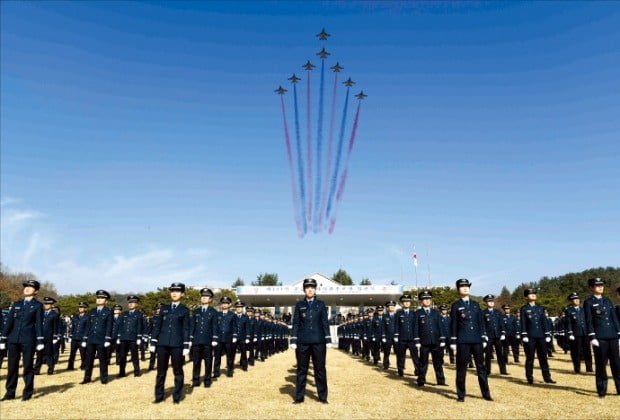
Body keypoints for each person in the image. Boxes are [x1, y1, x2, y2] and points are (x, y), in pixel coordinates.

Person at [0, 279, 44, 401]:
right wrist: (3, 338)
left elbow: (39, 324)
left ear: (36, 291)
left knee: (28, 366)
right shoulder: (16, 304)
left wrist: (40, 340)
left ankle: (27, 392)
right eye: (26, 286)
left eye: (30, 287)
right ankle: (10, 392)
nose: (27, 288)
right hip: (13, 339)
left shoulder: (38, 305)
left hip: (28, 339)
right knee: (12, 367)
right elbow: (9, 322)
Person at [450, 278, 492, 402]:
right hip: (463, 341)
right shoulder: (456, 305)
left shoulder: (475, 304)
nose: (465, 288)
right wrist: (453, 341)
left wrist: (483, 336)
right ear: (458, 289)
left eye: (467, 286)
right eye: (462, 286)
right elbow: (453, 324)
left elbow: (480, 321)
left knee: (481, 368)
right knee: (462, 369)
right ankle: (461, 394)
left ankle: (486, 393)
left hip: (477, 340)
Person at [290, 278, 331, 404]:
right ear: (304, 290)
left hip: (319, 342)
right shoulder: (299, 305)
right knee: (302, 370)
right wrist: (293, 339)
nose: (310, 289)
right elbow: (296, 323)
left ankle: (322, 397)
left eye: (312, 287)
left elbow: (325, 322)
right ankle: (299, 397)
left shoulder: (321, 304)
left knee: (320, 369)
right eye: (307, 287)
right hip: (303, 342)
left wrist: (328, 338)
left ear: (315, 289)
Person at [150, 282, 191, 404]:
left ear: (182, 294)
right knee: (161, 371)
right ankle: (159, 396)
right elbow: (157, 326)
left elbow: (186, 329)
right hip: (162, 344)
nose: (174, 293)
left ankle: (177, 397)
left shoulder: (184, 310)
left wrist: (186, 345)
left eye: (177, 291)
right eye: (172, 291)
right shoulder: (164, 308)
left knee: (177, 371)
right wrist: (153, 341)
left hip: (177, 345)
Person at [583, 277, 620, 397]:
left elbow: (614, 318)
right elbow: (588, 321)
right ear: (591, 288)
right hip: (600, 338)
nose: (600, 287)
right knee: (601, 365)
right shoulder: (588, 302)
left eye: (602, 285)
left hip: (612, 336)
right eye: (597, 285)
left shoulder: (607, 301)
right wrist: (592, 336)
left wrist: (618, 332)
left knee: (616, 364)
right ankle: (602, 390)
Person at [519, 288, 556, 385]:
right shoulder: (524, 309)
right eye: (531, 294)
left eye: (534, 294)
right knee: (530, 358)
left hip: (541, 336)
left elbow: (544, 322)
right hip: (530, 337)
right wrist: (524, 334)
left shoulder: (541, 308)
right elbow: (523, 323)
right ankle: (529, 377)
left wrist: (547, 334)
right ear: (526, 297)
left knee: (543, 357)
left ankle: (547, 377)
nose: (533, 295)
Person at [413, 290, 446, 387]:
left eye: (428, 299)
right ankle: (421, 380)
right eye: (424, 299)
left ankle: (441, 381)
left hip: (436, 341)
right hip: (424, 342)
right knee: (423, 362)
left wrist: (443, 339)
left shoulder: (436, 313)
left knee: (438, 362)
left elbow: (440, 326)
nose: (427, 301)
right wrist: (417, 340)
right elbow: (415, 327)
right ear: (421, 301)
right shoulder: (417, 313)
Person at [81, 290, 113, 385]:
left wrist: (107, 338)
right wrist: (85, 338)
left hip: (101, 339)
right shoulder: (92, 311)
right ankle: (87, 378)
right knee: (89, 359)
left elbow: (109, 326)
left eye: (102, 298)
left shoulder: (108, 312)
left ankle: (104, 378)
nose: (99, 299)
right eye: (98, 298)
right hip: (91, 338)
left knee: (102, 360)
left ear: (106, 301)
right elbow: (88, 326)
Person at [190, 287, 218, 388]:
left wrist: (214, 338)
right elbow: (192, 325)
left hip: (208, 340)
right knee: (196, 361)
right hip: (197, 340)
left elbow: (215, 326)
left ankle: (207, 380)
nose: (204, 298)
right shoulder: (196, 311)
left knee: (208, 361)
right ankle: (196, 380)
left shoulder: (213, 312)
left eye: (206, 296)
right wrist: (190, 338)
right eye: (203, 296)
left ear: (210, 299)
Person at [563, 292, 593, 374]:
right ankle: (577, 368)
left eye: (578, 299)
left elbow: (588, 321)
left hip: (585, 333)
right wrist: (570, 333)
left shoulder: (583, 310)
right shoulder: (569, 311)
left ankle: (589, 368)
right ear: (571, 301)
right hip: (576, 334)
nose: (577, 300)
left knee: (587, 351)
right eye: (574, 299)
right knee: (576, 351)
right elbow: (568, 323)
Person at [116, 295, 144, 377]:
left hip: (133, 338)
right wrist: (119, 336)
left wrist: (139, 337)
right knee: (122, 356)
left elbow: (140, 326)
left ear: (137, 304)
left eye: (133, 302)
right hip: (123, 338)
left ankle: (136, 372)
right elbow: (120, 326)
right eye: (130, 302)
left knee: (134, 355)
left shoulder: (139, 314)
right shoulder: (124, 314)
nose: (131, 304)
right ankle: (122, 372)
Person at [394, 294, 420, 377]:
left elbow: (417, 326)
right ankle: (400, 370)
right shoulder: (398, 314)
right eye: (405, 302)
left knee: (415, 356)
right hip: (402, 338)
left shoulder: (414, 313)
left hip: (412, 338)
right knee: (401, 356)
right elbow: (396, 325)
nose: (406, 303)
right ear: (402, 303)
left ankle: (417, 370)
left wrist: (417, 337)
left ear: (410, 303)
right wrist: (396, 336)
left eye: (408, 301)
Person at [482, 294, 508, 375]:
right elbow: (482, 324)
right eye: (489, 301)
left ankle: (503, 370)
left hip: (498, 335)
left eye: (492, 301)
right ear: (486, 303)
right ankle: (487, 370)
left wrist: (503, 332)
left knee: (500, 353)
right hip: (489, 336)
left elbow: (501, 323)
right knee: (488, 354)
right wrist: (484, 334)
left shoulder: (498, 312)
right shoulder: (483, 312)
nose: (491, 303)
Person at [34, 297, 60, 375]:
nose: (46, 305)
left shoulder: (54, 314)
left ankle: (50, 369)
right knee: (39, 354)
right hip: (40, 337)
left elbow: (56, 326)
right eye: (45, 303)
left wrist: (55, 337)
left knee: (49, 354)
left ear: (52, 305)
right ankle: (37, 370)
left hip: (49, 337)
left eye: (48, 304)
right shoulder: (40, 313)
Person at [214, 296, 237, 378]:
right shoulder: (217, 314)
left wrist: (234, 336)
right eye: (223, 303)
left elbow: (235, 326)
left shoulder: (232, 315)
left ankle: (230, 371)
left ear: (229, 304)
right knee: (217, 356)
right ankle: (216, 372)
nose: (224, 305)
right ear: (221, 305)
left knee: (230, 356)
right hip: (219, 338)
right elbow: (215, 326)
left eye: (226, 303)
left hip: (229, 338)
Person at [67, 302, 89, 370]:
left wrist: (85, 338)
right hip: (74, 337)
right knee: (72, 353)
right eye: (79, 307)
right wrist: (71, 335)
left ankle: (84, 366)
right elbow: (73, 327)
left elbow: (87, 328)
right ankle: (70, 366)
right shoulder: (75, 316)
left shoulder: (88, 317)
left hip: (82, 338)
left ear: (85, 308)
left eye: (82, 307)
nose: (80, 308)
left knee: (83, 353)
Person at [233, 300, 249, 371]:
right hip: (234, 338)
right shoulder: (233, 316)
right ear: (236, 308)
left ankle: (244, 366)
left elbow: (247, 328)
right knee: (232, 352)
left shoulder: (245, 317)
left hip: (242, 337)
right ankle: (230, 366)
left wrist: (247, 337)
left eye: (240, 307)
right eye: (237, 307)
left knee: (243, 352)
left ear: (242, 308)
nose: (239, 308)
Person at [382, 301, 398, 369]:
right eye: (390, 306)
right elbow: (383, 327)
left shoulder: (398, 315)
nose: (391, 307)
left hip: (396, 337)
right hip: (388, 337)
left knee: (398, 352)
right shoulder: (385, 316)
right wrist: (383, 336)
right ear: (388, 308)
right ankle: (386, 364)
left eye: (393, 306)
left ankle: (400, 366)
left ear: (394, 307)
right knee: (386, 352)